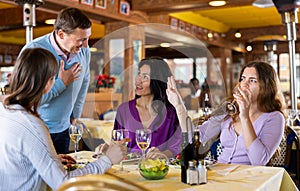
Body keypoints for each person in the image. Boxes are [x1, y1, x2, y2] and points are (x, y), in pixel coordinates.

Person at [0, 48, 126, 191]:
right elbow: (63, 183)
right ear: (48, 83)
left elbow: (15, 161)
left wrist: (50, 159)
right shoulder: (33, 125)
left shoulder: (4, 110)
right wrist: (107, 160)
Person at [167, 61, 285, 166]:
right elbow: (195, 138)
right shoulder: (228, 108)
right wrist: (179, 106)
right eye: (243, 79)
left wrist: (244, 116)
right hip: (220, 175)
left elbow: (259, 161)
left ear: (266, 87)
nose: (244, 85)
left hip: (249, 180)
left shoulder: (274, 118)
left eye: (252, 81)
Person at [19, 8, 92, 154]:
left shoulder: (83, 50)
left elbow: (84, 81)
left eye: (87, 38)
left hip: (64, 129)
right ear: (61, 34)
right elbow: (26, 100)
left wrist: (75, 114)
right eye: (81, 39)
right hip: (36, 131)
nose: (85, 45)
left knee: (61, 173)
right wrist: (61, 83)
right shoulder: (34, 50)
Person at [113, 57, 182, 159]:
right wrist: (108, 149)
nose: (138, 80)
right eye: (139, 74)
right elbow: (117, 143)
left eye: (145, 77)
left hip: (158, 170)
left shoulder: (171, 112)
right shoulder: (124, 110)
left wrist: (163, 155)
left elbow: (176, 146)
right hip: (128, 170)